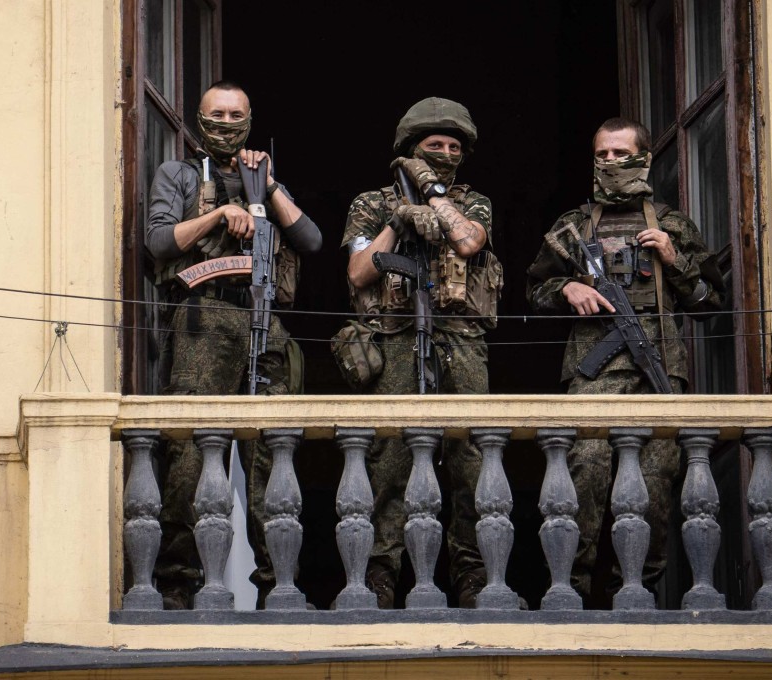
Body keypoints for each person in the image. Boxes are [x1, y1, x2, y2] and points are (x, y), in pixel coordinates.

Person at [525, 116, 725, 606]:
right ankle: (568, 592)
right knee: (583, 477)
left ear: (644, 158)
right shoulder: (572, 226)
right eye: (603, 155)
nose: (611, 163)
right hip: (593, 375)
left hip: (658, 375)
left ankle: (635, 593)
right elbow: (534, 289)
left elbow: (709, 304)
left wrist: (675, 260)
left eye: (620, 154)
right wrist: (567, 287)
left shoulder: (672, 224)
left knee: (655, 490)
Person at [145, 80, 322, 610]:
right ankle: (178, 584)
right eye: (216, 114)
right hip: (204, 318)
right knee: (192, 455)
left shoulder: (263, 177)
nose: (226, 122)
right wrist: (221, 214)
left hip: (263, 320)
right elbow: (156, 243)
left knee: (274, 454)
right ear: (199, 121)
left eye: (235, 114)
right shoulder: (178, 175)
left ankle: (280, 585)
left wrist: (263, 186)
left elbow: (309, 240)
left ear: (250, 119)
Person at [337, 97, 504, 608]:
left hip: (461, 344)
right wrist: (401, 218)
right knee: (388, 461)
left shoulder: (472, 202)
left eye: (455, 147)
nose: (447, 153)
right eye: (435, 146)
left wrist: (432, 196)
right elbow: (359, 272)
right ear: (411, 149)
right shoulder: (370, 203)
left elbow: (469, 241)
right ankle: (380, 574)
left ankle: (473, 575)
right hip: (393, 343)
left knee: (469, 462)